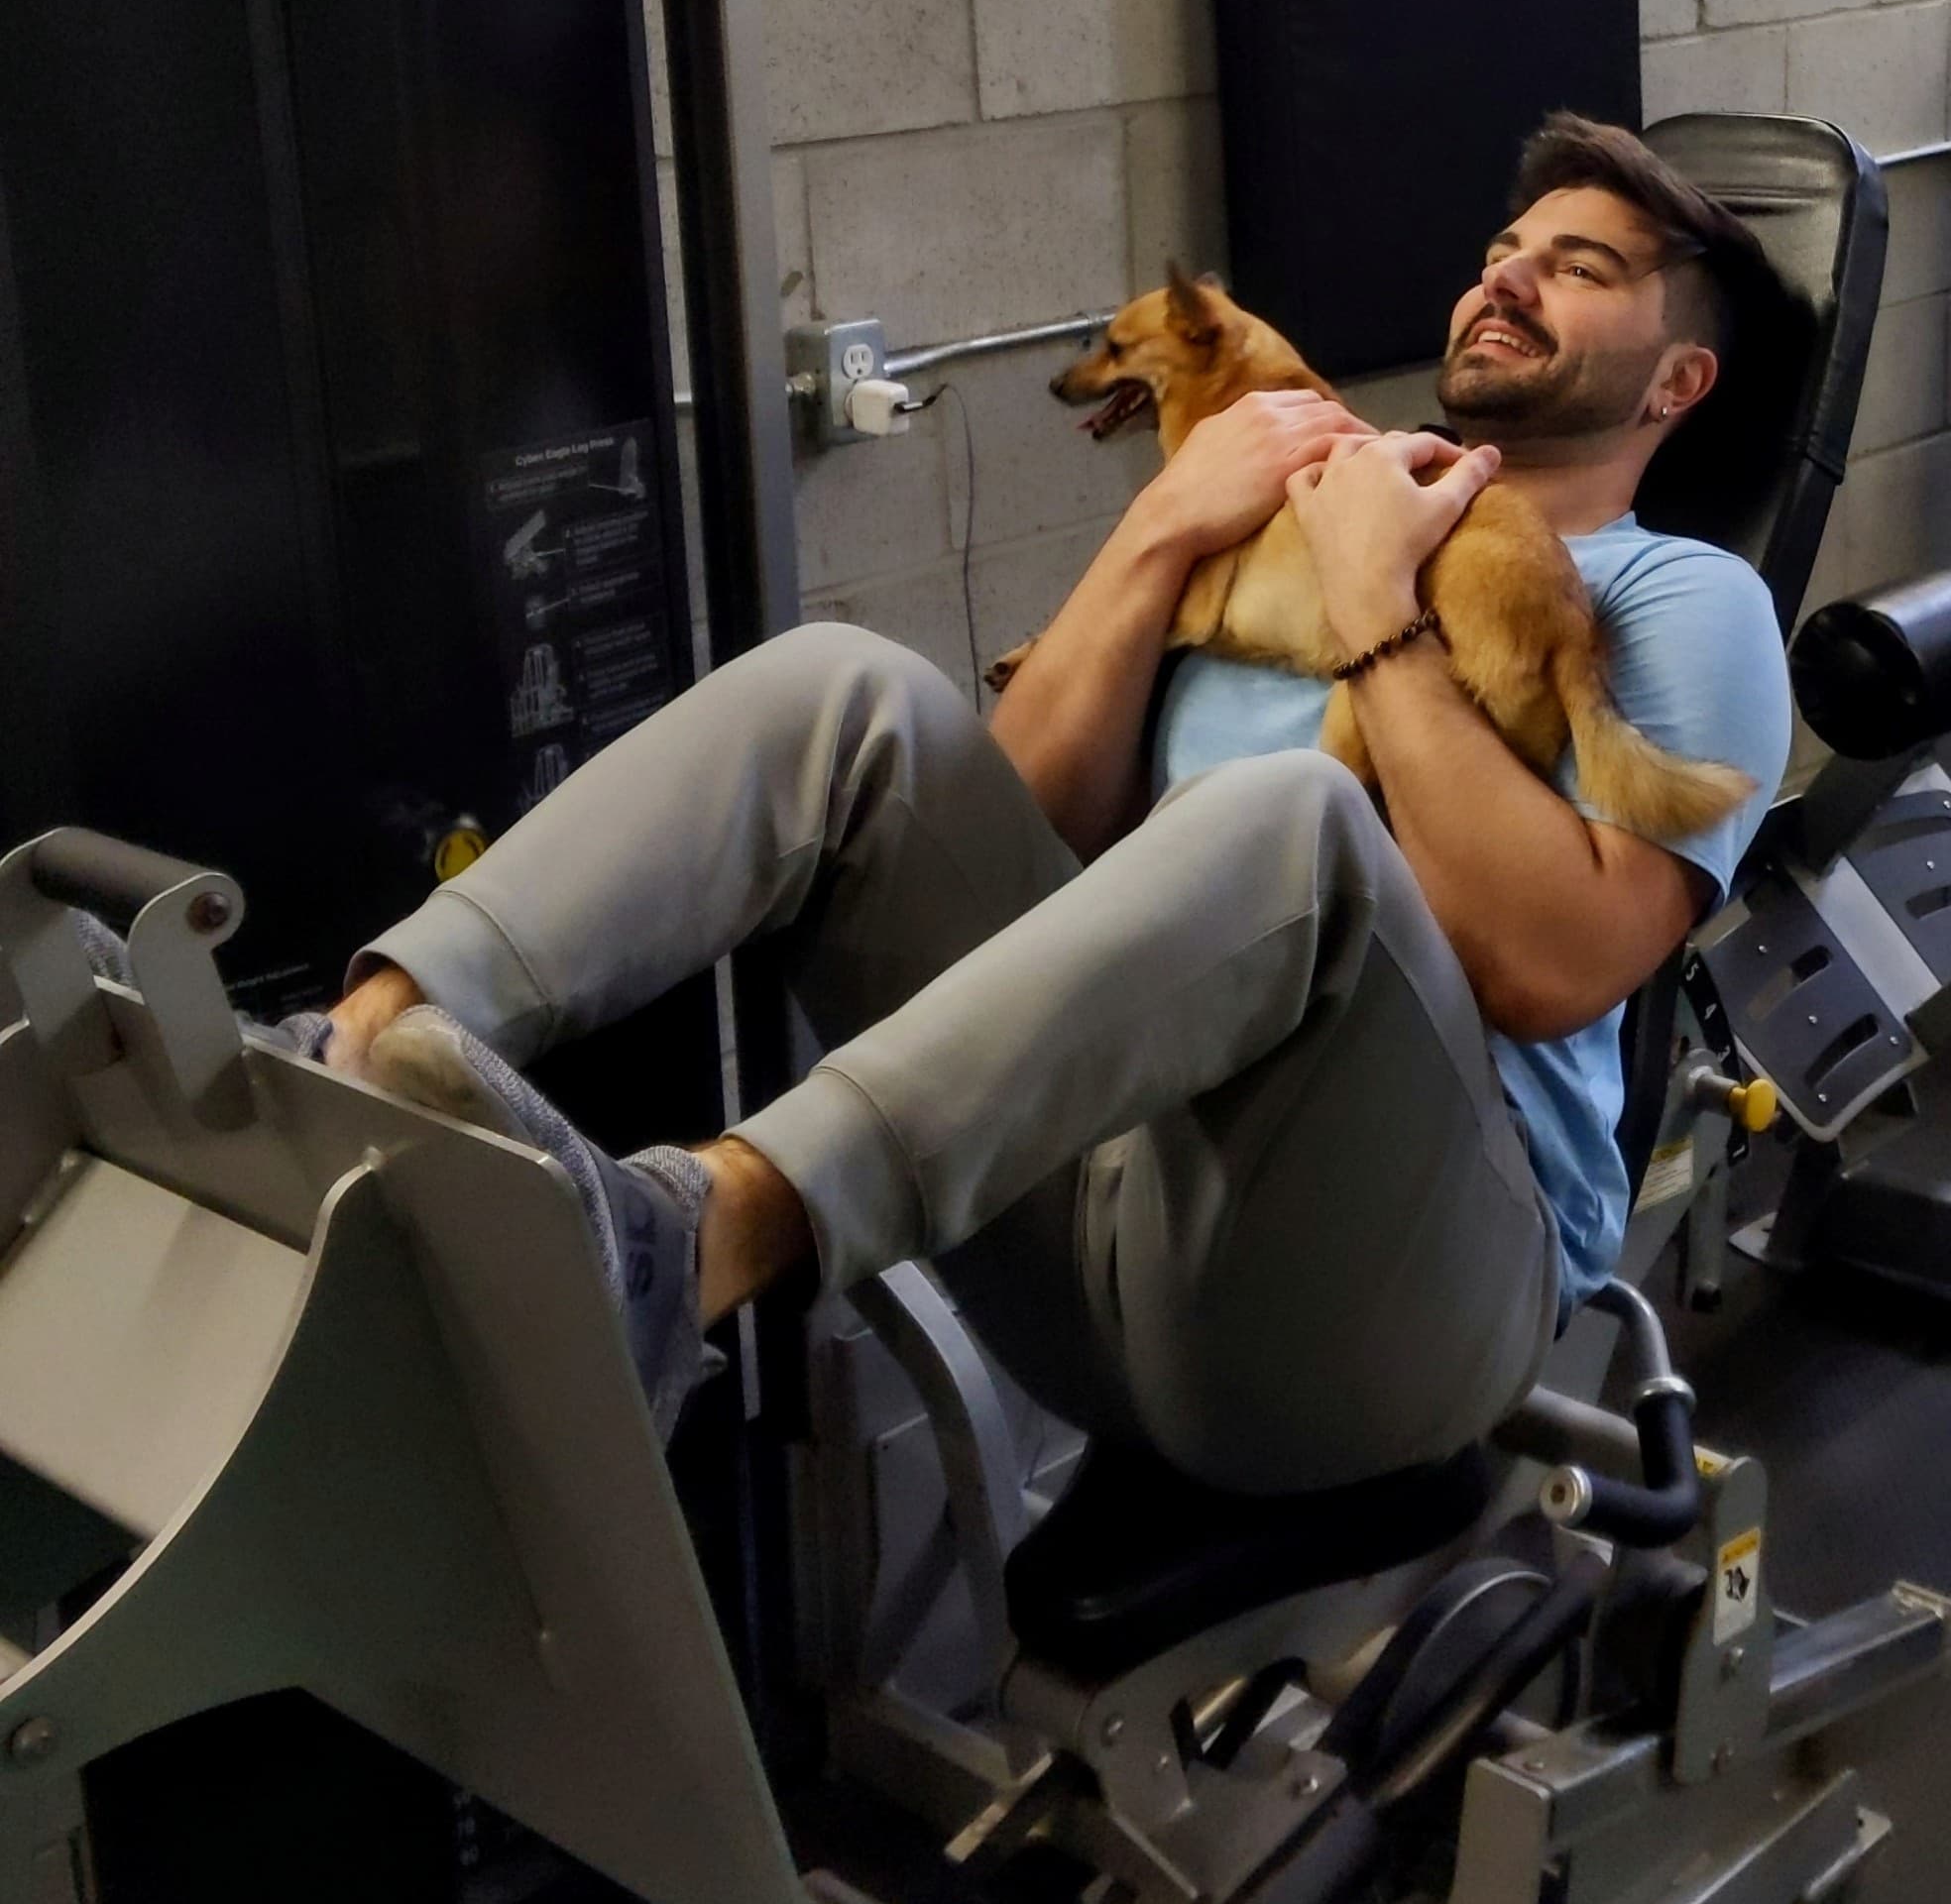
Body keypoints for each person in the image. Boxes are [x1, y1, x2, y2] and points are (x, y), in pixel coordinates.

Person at [320, 112, 1793, 1494]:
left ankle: (697, 1242)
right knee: (843, 695)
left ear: (1677, 384)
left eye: (1580, 267)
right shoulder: (1303, 508)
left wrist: (1374, 606)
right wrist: (1161, 529)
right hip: (1089, 1232)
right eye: (1501, 252)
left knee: (1290, 821)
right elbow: (1013, 842)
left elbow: (1550, 967)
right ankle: (360, 1051)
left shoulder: (1685, 597)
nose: (1509, 277)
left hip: (1398, 1303)